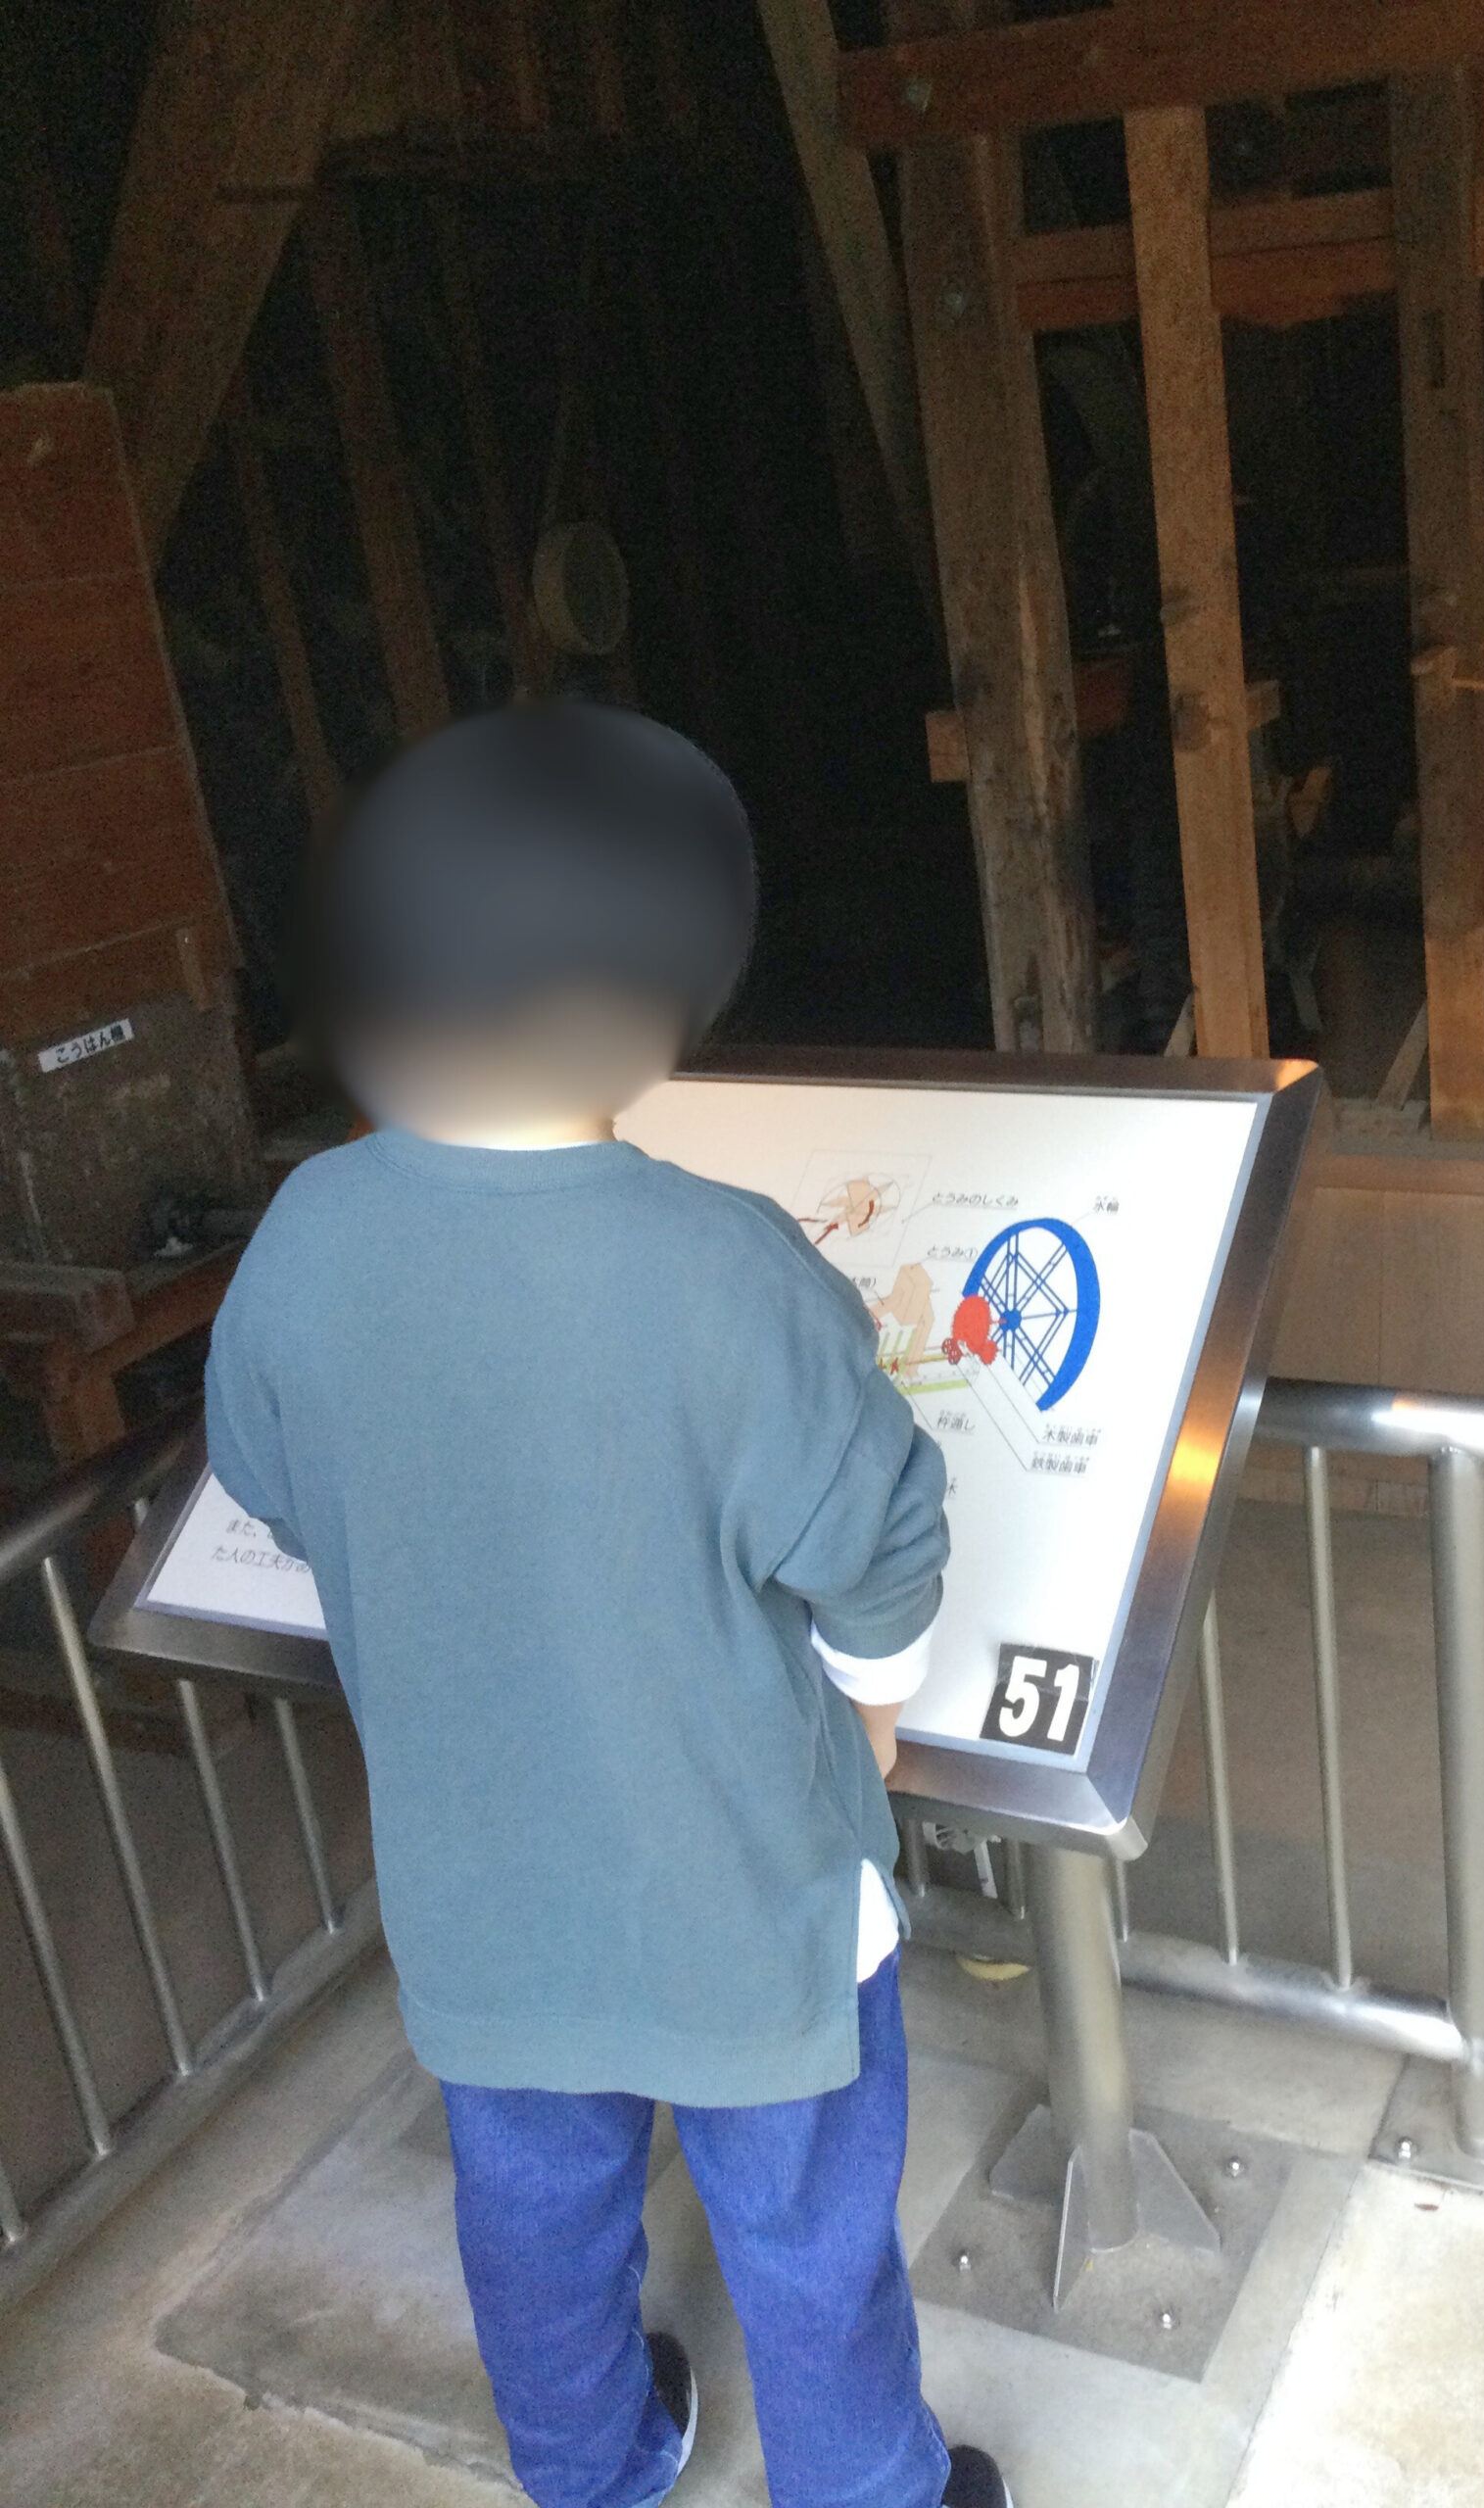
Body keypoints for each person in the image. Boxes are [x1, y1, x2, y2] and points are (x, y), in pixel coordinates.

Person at [205, 702, 1013, 2508]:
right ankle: (869, 2489)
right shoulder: (726, 1263)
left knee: (533, 2209)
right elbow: (879, 1534)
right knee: (804, 2226)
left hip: (481, 1885)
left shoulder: (307, 1232)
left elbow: (265, 1474)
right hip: (744, 1887)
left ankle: (590, 2462)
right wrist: (873, 1711)